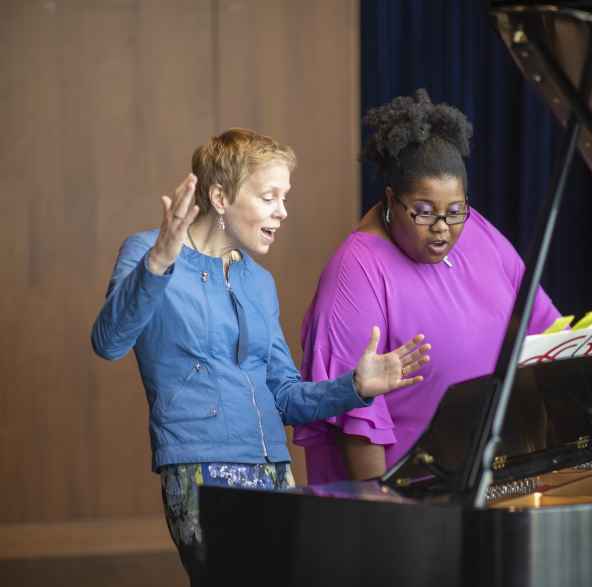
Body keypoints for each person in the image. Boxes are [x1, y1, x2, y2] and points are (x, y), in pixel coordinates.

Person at [90, 129, 430, 584]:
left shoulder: (258, 282)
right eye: (270, 197)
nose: (282, 211)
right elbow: (108, 342)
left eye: (285, 197)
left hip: (274, 470)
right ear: (220, 196)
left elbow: (285, 397)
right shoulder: (147, 252)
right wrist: (157, 264)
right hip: (200, 467)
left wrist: (355, 386)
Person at [294, 90, 592, 484]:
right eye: (423, 212)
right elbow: (358, 425)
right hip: (414, 499)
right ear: (390, 200)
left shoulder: (478, 233)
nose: (442, 228)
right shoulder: (355, 272)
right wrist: (387, 522)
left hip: (497, 481)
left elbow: (545, 328)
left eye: (455, 211)